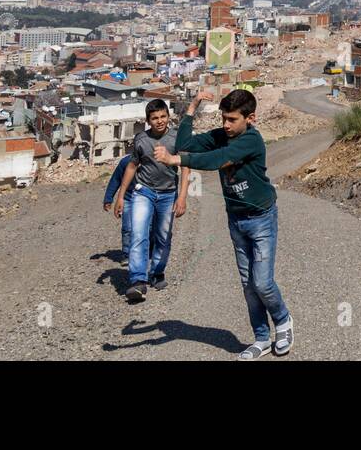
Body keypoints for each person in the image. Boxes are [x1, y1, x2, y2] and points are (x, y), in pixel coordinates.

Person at [155, 88, 292, 360]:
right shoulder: (221, 135)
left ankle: (284, 322)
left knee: (262, 282)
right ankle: (262, 338)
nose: (226, 125)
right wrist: (192, 108)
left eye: (232, 120)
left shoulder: (251, 141)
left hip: (262, 219)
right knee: (247, 284)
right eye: (223, 119)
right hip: (236, 220)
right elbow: (186, 143)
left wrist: (175, 160)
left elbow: (217, 160)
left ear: (250, 118)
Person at [113, 99, 190, 302]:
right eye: (154, 118)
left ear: (168, 116)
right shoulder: (141, 139)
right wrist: (121, 196)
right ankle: (138, 280)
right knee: (139, 233)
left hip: (168, 194)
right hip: (143, 192)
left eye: (163, 116)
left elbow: (186, 166)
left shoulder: (176, 138)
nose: (159, 121)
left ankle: (157, 272)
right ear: (148, 120)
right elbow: (132, 166)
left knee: (163, 236)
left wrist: (182, 197)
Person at [102, 153, 134, 264]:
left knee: (148, 227)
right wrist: (108, 199)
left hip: (147, 199)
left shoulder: (150, 161)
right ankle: (127, 254)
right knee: (127, 228)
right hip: (128, 198)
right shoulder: (125, 162)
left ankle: (147, 251)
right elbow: (115, 180)